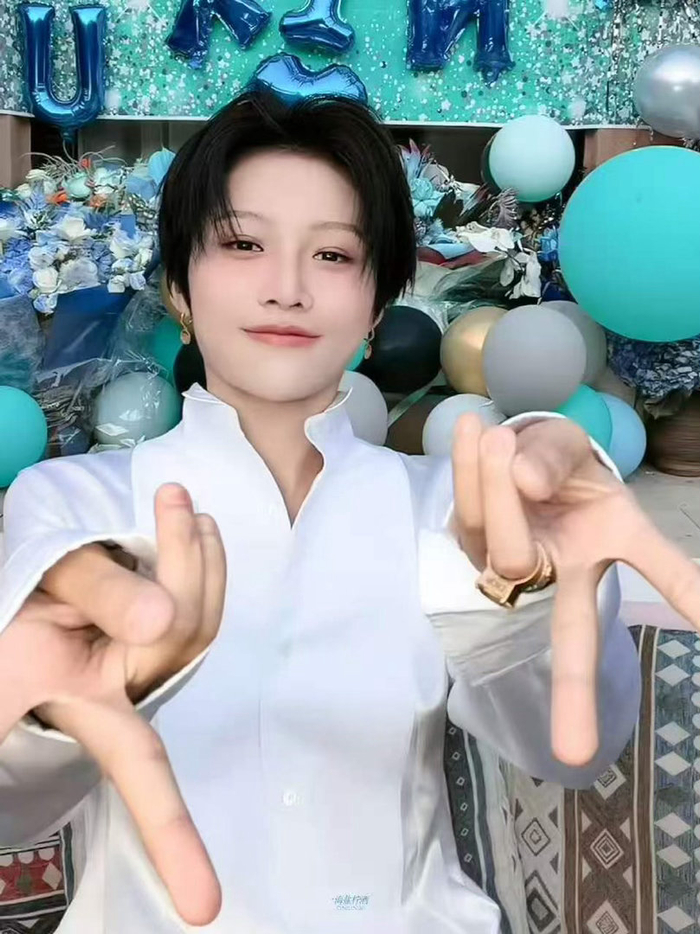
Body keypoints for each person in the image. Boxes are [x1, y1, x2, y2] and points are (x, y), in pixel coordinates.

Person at [0, 90, 696, 934]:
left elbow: (571, 753)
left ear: (375, 307)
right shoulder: (72, 512)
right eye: (243, 244)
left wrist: (536, 598)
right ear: (179, 287)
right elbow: (11, 809)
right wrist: (39, 722)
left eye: (333, 255)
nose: (287, 289)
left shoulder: (454, 510)